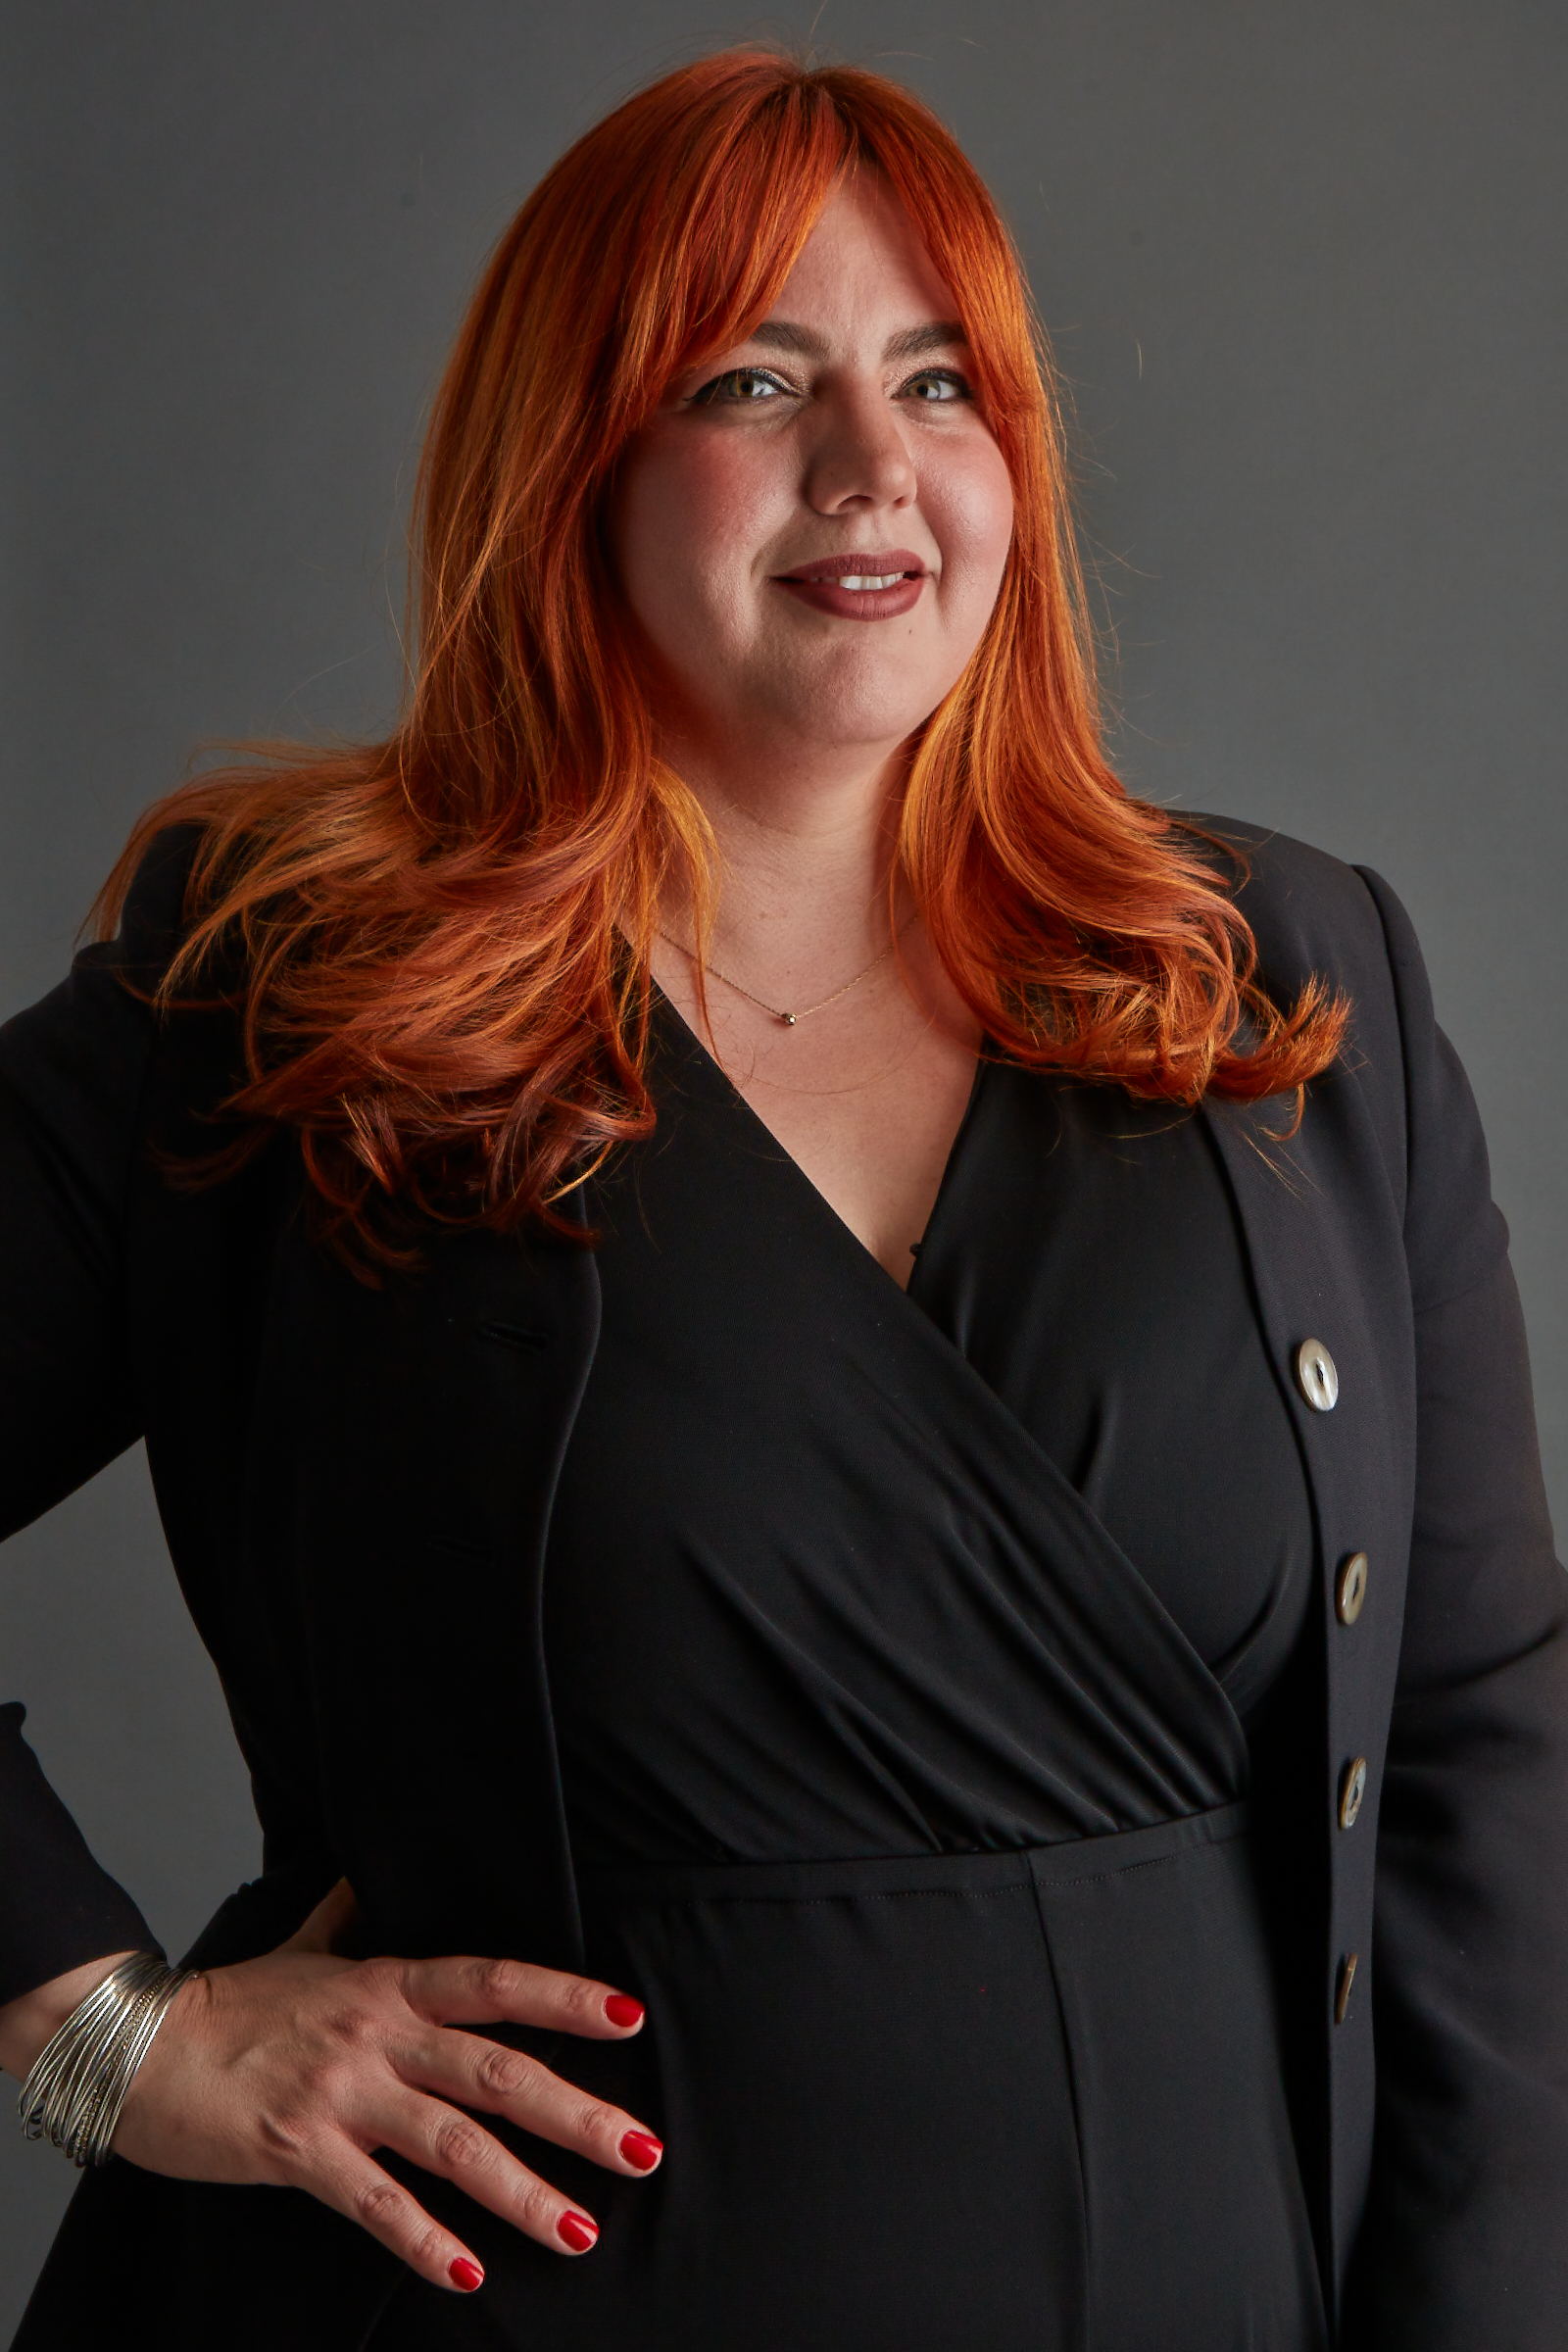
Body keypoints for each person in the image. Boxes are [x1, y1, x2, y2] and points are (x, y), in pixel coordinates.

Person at [2, 46, 1565, 2352]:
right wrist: (99, 2036)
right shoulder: (285, 996)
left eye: (938, 381)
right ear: (573, 459)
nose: (872, 466)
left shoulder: (1277, 982)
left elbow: (1475, 1752)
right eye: (752, 378)